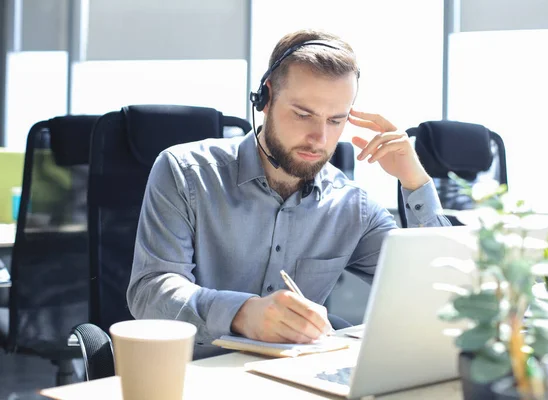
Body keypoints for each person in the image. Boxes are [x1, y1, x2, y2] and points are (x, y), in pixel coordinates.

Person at [127, 29, 450, 359]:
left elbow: (445, 291)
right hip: (192, 376)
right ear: (266, 99)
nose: (320, 138)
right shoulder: (184, 172)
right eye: (303, 114)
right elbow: (150, 293)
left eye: (336, 120)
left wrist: (415, 181)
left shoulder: (353, 206)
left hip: (295, 382)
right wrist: (241, 313)